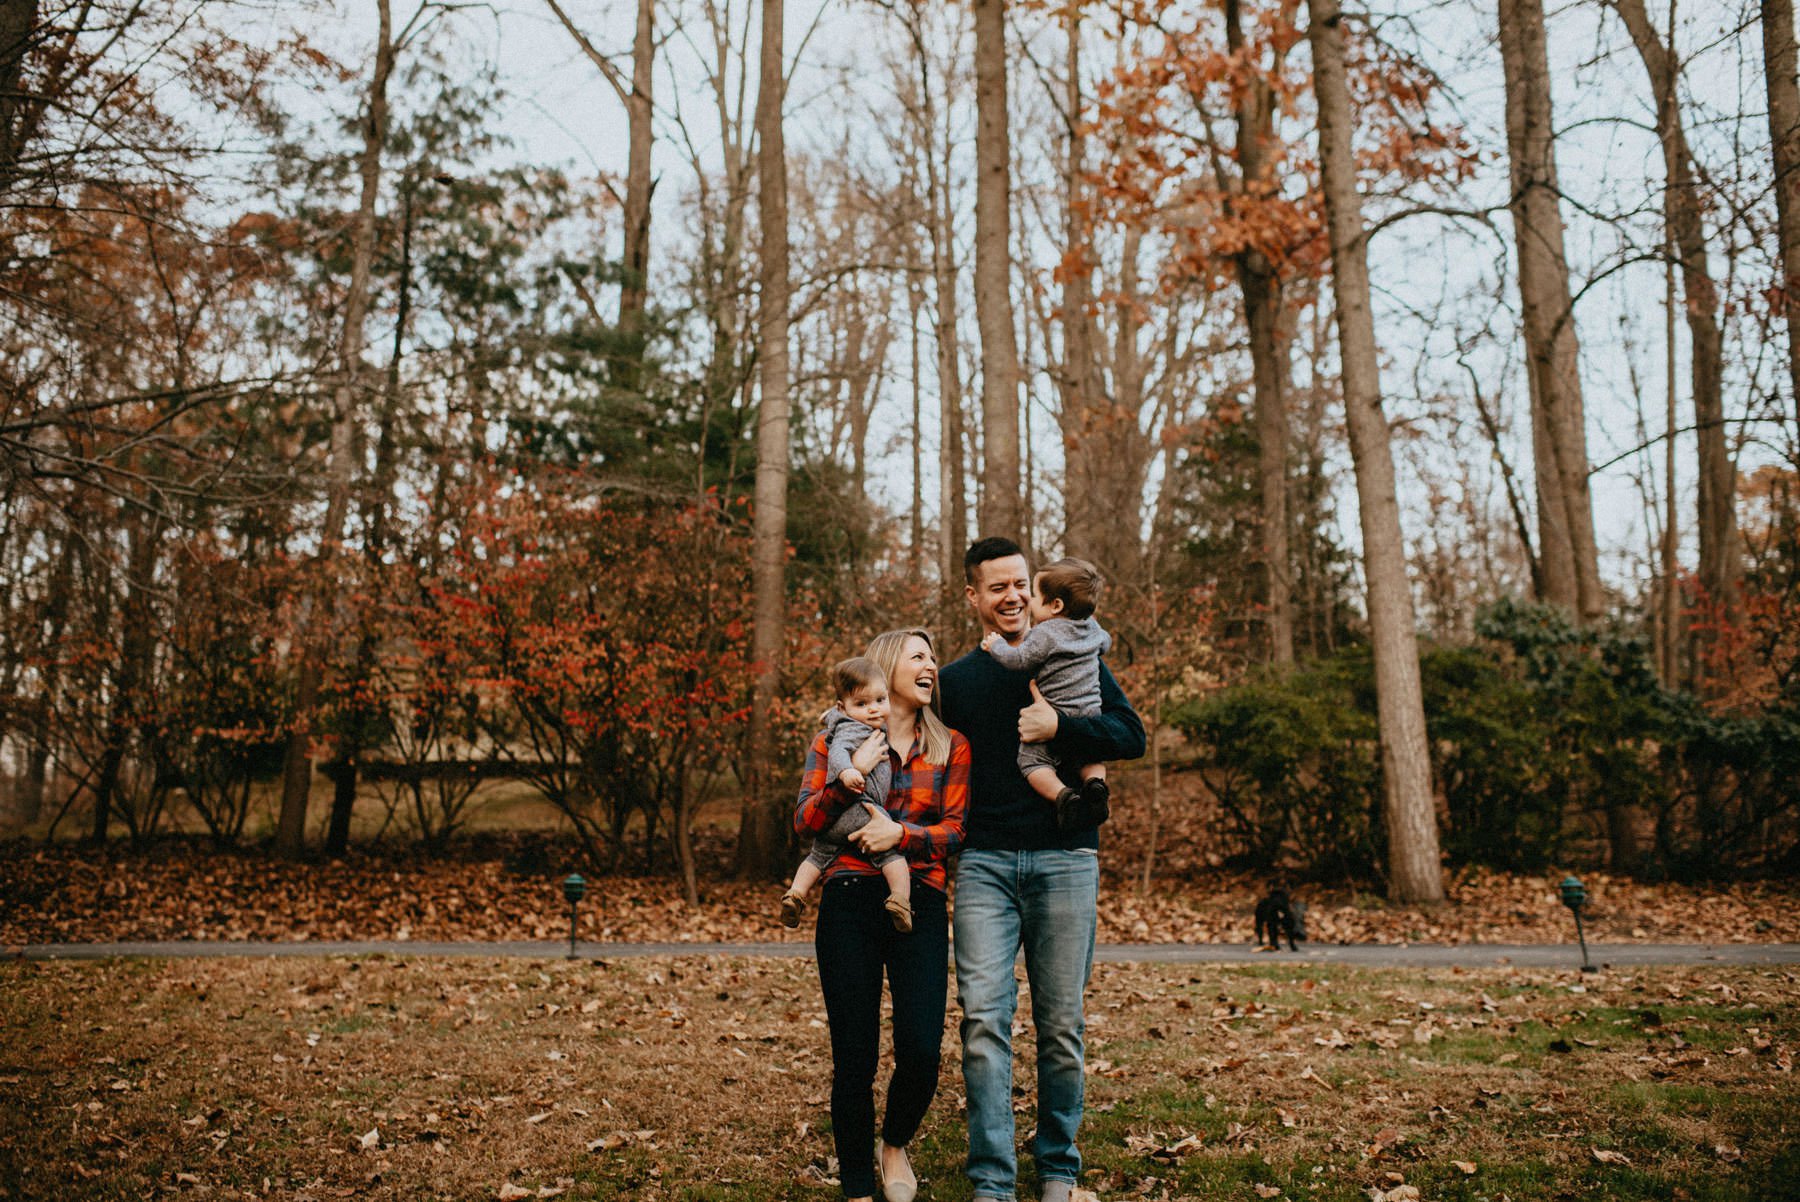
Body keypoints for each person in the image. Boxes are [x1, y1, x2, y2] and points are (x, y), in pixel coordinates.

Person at [940, 537, 1146, 1202]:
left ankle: (1058, 1168)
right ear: (973, 596)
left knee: (1061, 1025)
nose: (1012, 596)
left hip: (1066, 859)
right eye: (997, 586)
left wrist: (1060, 726)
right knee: (983, 1023)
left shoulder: (1073, 651)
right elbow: (920, 754)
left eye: (1020, 583)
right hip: (985, 864)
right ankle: (992, 1180)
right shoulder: (956, 682)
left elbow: (1131, 735)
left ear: (1037, 590)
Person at [795, 628, 970, 1202]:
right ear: (888, 667)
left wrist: (901, 834)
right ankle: (856, 1186)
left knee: (921, 1049)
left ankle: (893, 1144)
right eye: (919, 656)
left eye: (933, 657)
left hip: (917, 900)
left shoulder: (949, 746)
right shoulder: (832, 741)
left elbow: (956, 831)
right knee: (855, 1055)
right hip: (847, 897)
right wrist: (848, 782)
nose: (932, 665)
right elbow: (804, 823)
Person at [781, 656, 913, 933]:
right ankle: (900, 900)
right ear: (845, 707)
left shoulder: (850, 720)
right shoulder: (856, 728)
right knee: (892, 856)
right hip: (861, 808)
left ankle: (796, 894)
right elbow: (839, 749)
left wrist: (832, 714)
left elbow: (839, 721)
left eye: (880, 700)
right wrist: (849, 771)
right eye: (862, 704)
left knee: (817, 856)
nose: (874, 709)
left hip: (834, 819)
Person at [979, 556, 1112, 831]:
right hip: (1090, 714)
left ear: (1056, 605)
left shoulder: (1045, 633)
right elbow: (1105, 644)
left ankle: (1064, 797)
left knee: (1031, 761)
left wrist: (996, 646)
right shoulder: (1093, 628)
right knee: (1090, 757)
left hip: (1055, 711)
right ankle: (1095, 784)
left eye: (1035, 595)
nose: (1028, 599)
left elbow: (1018, 660)